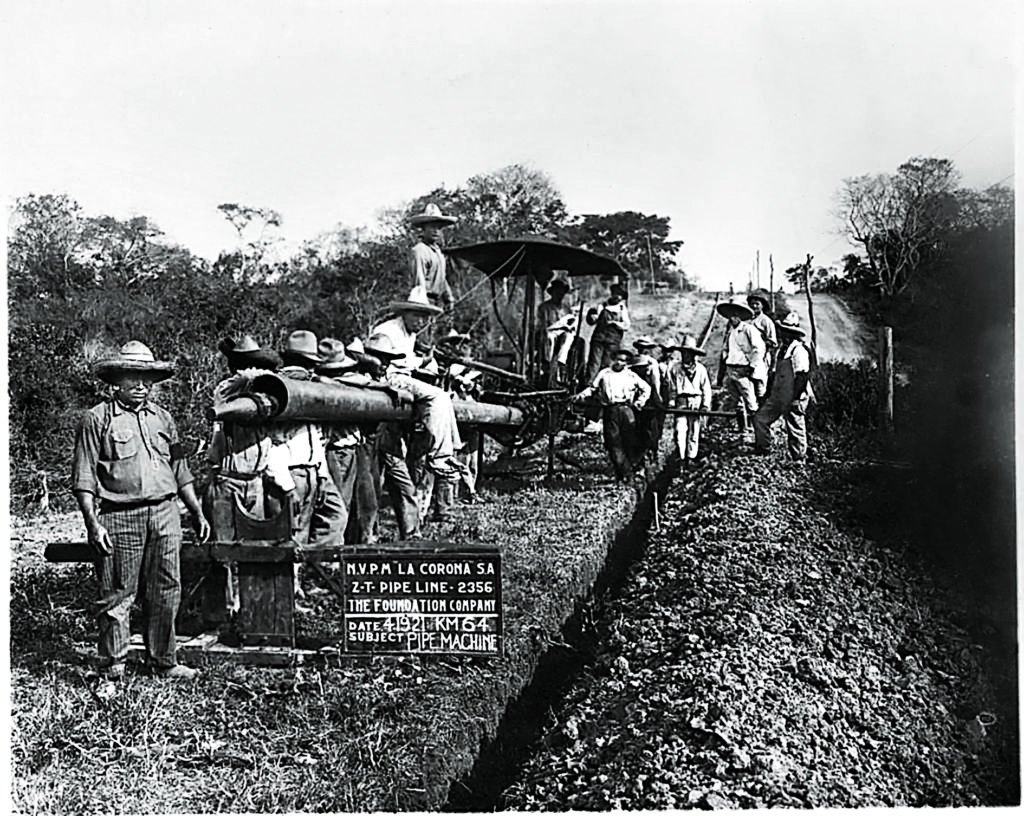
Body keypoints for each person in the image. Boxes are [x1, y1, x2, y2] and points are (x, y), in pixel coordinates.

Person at [72, 340, 210, 683]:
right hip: (120, 517)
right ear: (116, 379)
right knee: (117, 594)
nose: (141, 385)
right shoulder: (96, 419)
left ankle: (163, 662)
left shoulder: (163, 418)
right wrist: (92, 523)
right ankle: (112, 668)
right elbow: (84, 477)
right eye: (132, 376)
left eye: (147, 377)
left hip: (165, 514)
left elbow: (180, 470)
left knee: (166, 589)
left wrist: (196, 511)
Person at [202, 335, 285, 621]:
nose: (251, 370)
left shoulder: (265, 393)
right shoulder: (226, 391)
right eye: (246, 365)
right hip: (228, 480)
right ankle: (221, 614)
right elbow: (226, 395)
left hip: (256, 481)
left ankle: (250, 607)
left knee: (254, 546)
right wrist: (249, 376)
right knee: (223, 551)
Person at [269, 331, 347, 599]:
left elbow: (318, 439)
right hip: (293, 472)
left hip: (314, 470)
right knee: (292, 532)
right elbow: (273, 445)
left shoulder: (312, 391)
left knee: (335, 517)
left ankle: (314, 573)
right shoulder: (283, 390)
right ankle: (291, 591)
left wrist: (322, 473)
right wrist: (286, 484)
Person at [370, 285, 465, 478]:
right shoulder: (387, 330)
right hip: (388, 377)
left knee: (444, 397)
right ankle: (438, 456)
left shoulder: (410, 334)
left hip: (403, 376)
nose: (421, 322)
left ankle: (450, 450)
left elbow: (411, 360)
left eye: (425, 317)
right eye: (417, 316)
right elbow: (390, 360)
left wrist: (429, 365)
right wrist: (423, 361)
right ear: (405, 313)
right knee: (437, 397)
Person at [573, 348, 651, 482]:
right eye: (618, 359)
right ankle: (625, 473)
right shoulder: (605, 373)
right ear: (613, 359)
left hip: (627, 410)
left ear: (626, 363)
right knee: (612, 443)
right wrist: (581, 395)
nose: (620, 363)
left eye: (623, 361)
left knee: (628, 441)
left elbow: (646, 388)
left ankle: (626, 474)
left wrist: (640, 402)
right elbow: (592, 388)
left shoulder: (630, 375)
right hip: (610, 410)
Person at [753, 311, 814, 461]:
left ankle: (799, 458)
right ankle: (764, 449)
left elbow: (802, 376)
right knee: (760, 419)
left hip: (793, 395)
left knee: (795, 427)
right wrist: (767, 395)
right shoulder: (781, 351)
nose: (785, 336)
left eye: (789, 333)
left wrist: (795, 398)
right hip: (778, 395)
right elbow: (773, 374)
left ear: (794, 335)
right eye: (784, 332)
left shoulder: (799, 350)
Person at [716, 299, 766, 435]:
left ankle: (758, 432)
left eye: (736, 315)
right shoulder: (731, 332)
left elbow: (759, 348)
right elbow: (725, 349)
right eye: (731, 315)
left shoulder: (748, 330)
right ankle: (743, 429)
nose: (733, 318)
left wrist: (752, 366)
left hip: (743, 369)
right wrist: (727, 360)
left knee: (751, 401)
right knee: (737, 402)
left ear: (741, 316)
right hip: (731, 369)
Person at [665, 335, 713, 468]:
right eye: (684, 353)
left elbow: (706, 388)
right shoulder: (675, 368)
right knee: (680, 430)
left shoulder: (701, 369)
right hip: (681, 400)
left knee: (694, 430)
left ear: (694, 354)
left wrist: (705, 404)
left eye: (689, 353)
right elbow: (672, 387)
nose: (686, 356)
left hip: (695, 400)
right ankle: (681, 457)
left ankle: (691, 457)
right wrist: (672, 401)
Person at [408, 202, 457, 310]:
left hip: (437, 301)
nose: (436, 231)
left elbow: (442, 278)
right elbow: (419, 282)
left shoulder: (438, 252)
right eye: (432, 227)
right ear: (424, 228)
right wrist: (424, 306)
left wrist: (448, 297)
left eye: (438, 228)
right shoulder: (419, 250)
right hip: (424, 300)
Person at [585, 282, 631, 383]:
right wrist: (592, 317)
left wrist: (615, 324)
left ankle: (603, 386)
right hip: (599, 338)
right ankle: (589, 386)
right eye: (616, 294)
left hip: (613, 340)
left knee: (607, 363)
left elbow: (627, 325)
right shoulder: (603, 305)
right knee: (594, 363)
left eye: (620, 295)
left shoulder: (622, 309)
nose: (617, 297)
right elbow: (593, 321)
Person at [630, 336, 664, 459]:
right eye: (642, 348)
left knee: (644, 425)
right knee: (645, 426)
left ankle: (646, 451)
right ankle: (645, 452)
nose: (643, 350)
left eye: (645, 348)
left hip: (642, 397)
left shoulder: (640, 361)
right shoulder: (643, 362)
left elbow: (655, 383)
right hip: (643, 397)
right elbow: (654, 382)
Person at [747, 290, 778, 402]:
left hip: (760, 357)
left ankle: (761, 407)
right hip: (746, 356)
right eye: (752, 303)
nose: (754, 306)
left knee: (759, 383)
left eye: (757, 304)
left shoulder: (766, 321)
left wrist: (760, 343)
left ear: (762, 306)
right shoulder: (746, 320)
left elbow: (773, 342)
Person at [535, 278, 572, 368]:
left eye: (561, 293)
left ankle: (561, 361)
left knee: (568, 337)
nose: (560, 295)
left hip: (563, 332)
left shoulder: (566, 308)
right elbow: (542, 325)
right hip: (549, 331)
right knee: (549, 338)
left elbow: (571, 322)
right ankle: (548, 363)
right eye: (557, 292)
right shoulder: (544, 307)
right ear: (552, 293)